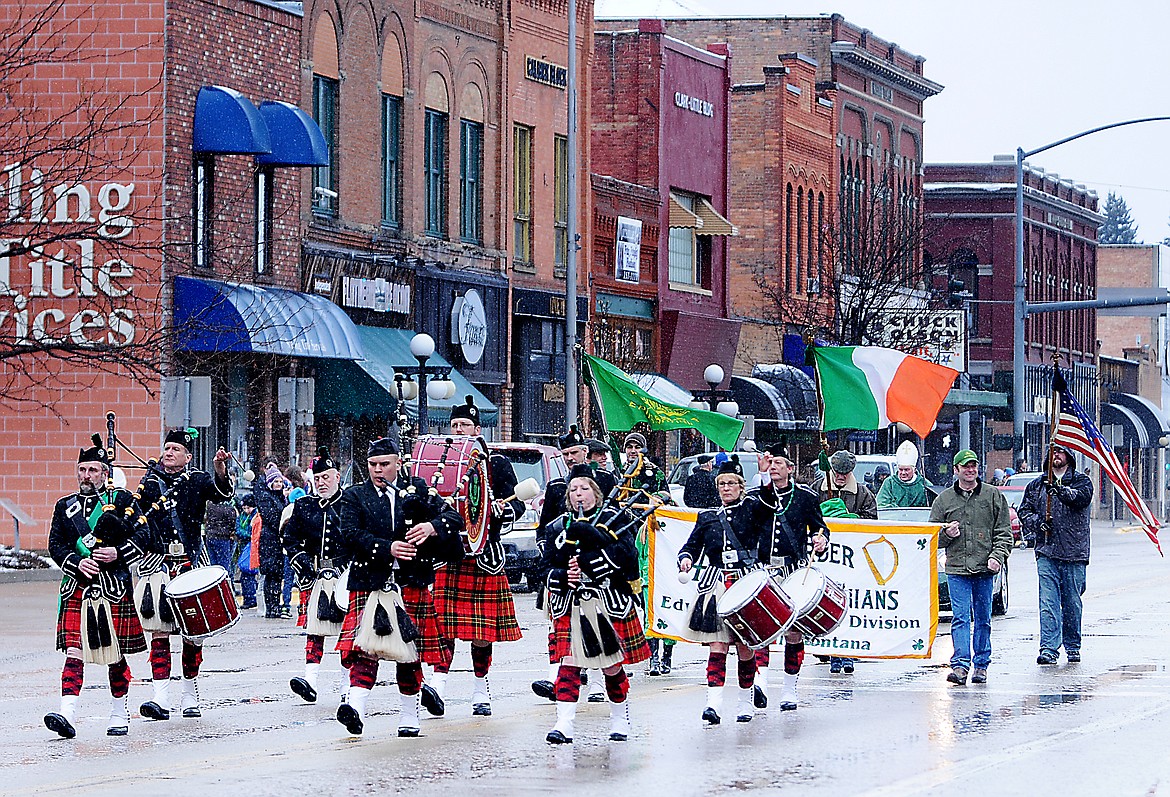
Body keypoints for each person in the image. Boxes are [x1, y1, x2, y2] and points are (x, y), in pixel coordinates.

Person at [334, 437, 464, 737]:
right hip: (371, 582)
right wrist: (386, 547)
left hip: (410, 582)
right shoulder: (356, 496)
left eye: (384, 464)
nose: (377, 470)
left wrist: (432, 526)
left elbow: (454, 518)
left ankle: (410, 717)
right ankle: (355, 709)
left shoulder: (417, 490)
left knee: (409, 654)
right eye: (372, 465)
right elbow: (350, 535)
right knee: (367, 650)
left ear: (398, 464)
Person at [44, 435, 150, 738]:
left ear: (105, 473)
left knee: (113, 654)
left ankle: (119, 714)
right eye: (82, 470)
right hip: (77, 585)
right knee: (74, 651)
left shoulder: (123, 502)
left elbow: (145, 536)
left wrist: (118, 553)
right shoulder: (65, 506)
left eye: (92, 470)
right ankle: (66, 715)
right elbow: (56, 544)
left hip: (112, 585)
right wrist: (76, 563)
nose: (86, 476)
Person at [542, 464, 650, 744]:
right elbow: (545, 566)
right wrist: (564, 574)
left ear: (596, 494)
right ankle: (564, 724)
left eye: (585, 488)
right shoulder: (558, 525)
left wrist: (591, 561)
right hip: (572, 602)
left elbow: (627, 556)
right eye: (574, 489)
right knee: (569, 663)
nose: (579, 494)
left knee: (611, 667)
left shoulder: (614, 519)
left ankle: (619, 718)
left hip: (606, 601)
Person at [431, 397, 525, 716]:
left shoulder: (495, 463)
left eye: (465, 426)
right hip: (450, 553)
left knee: (482, 633)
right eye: (454, 425)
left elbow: (519, 503)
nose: (458, 430)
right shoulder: (442, 461)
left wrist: (502, 510)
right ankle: (438, 685)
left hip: (484, 554)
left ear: (477, 428)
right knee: (444, 625)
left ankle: (480, 689)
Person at [134, 428, 233, 721]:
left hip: (189, 560)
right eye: (166, 448)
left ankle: (190, 692)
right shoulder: (150, 483)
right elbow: (135, 515)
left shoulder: (199, 480)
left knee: (193, 633)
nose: (168, 453)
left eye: (175, 449)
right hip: (158, 562)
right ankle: (160, 697)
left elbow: (224, 494)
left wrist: (220, 469)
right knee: (160, 631)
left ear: (188, 456)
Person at [532, 424, 613, 702]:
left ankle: (599, 686)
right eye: (565, 453)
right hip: (564, 566)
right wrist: (552, 559)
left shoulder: (604, 481)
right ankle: (561, 680)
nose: (569, 458)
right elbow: (544, 528)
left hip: (597, 570)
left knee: (599, 627)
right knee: (561, 627)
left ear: (585, 452)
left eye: (574, 452)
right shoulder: (556, 487)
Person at [678, 455, 762, 724]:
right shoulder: (707, 517)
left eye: (731, 483)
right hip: (715, 585)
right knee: (718, 645)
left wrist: (764, 477)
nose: (725, 488)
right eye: (721, 484)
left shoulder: (752, 511)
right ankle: (713, 704)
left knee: (746, 647)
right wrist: (686, 559)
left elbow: (769, 506)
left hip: (745, 584)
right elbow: (690, 546)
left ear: (741, 486)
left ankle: (745, 702)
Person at [749, 443, 829, 709]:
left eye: (778, 463)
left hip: (793, 570)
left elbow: (820, 527)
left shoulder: (805, 497)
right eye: (770, 463)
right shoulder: (758, 495)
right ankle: (759, 682)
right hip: (764, 570)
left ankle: (789, 689)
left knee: (794, 632)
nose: (773, 467)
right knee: (762, 628)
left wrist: (820, 539)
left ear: (790, 469)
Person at [930, 449, 1013, 686]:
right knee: (960, 618)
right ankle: (960, 665)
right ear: (956, 470)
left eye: (974, 465)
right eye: (965, 466)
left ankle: (981, 665)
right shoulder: (944, 500)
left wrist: (997, 556)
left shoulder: (992, 496)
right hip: (957, 569)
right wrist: (946, 534)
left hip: (984, 570)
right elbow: (932, 537)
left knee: (984, 618)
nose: (970, 470)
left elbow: (1004, 532)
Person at [1016, 442, 1094, 665]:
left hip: (1074, 553)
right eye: (1052, 452)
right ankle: (1049, 648)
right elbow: (1024, 510)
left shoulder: (1081, 481)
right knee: (1048, 602)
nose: (1056, 456)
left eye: (1060, 452)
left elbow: (1079, 499)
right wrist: (1038, 524)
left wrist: (1059, 491)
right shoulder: (1037, 485)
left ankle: (1072, 645)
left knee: (1071, 603)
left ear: (1069, 456)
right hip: (1046, 551)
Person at [283, 447, 350, 704]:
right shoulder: (304, 506)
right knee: (315, 629)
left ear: (337, 476)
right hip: (314, 575)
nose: (322, 483)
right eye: (318, 478)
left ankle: (346, 686)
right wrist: (300, 561)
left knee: (348, 633)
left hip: (344, 576)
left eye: (327, 477)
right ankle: (310, 681)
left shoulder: (350, 503)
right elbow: (289, 539)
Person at [814, 449, 875, 674]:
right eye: (837, 472)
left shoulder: (863, 493)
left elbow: (872, 521)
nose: (840, 476)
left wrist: (851, 520)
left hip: (851, 560)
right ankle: (830, 652)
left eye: (845, 472)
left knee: (849, 606)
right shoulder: (817, 489)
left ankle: (847, 652)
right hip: (825, 559)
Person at [254, 470, 288, 619]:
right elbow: (273, 518)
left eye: (280, 482)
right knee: (271, 574)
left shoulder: (280, 498)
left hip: (277, 540)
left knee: (277, 575)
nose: (279, 485)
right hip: (270, 540)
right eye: (276, 482)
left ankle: (276, 605)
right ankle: (271, 606)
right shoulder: (267, 499)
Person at [876, 441, 933, 509]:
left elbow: (934, 507)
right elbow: (881, 504)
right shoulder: (890, 483)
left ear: (914, 470)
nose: (903, 473)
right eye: (900, 469)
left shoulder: (925, 484)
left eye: (906, 470)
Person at [203, 498, 238, 582]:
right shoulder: (229, 508)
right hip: (222, 538)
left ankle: (215, 584)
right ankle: (226, 586)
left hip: (210, 537)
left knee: (213, 565)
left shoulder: (210, 505)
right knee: (224, 566)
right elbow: (233, 524)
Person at [236, 497, 259, 609]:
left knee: (248, 573)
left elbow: (244, 531)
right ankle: (249, 597)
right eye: (244, 508)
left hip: (251, 547)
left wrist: (243, 533)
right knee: (247, 574)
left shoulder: (255, 516)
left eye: (248, 507)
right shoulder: (243, 516)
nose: (246, 510)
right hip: (246, 546)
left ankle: (250, 598)